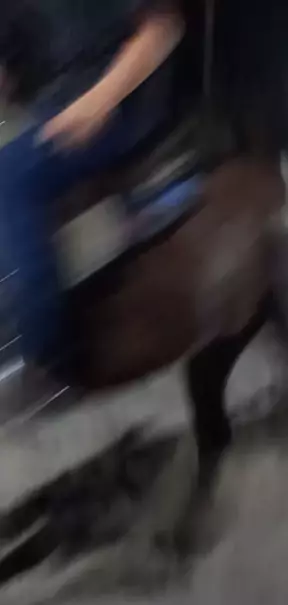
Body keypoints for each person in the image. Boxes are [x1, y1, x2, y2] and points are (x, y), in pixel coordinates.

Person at [0, 0, 186, 397]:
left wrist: (98, 103)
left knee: (9, 179)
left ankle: (51, 360)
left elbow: (163, 29)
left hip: (122, 102)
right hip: (58, 103)